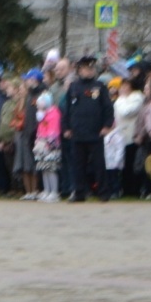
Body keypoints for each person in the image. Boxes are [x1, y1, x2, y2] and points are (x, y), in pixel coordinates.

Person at [60, 56, 113, 202]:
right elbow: (67, 110)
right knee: (78, 165)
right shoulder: (73, 87)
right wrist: (66, 128)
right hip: (77, 132)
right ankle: (79, 192)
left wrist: (107, 125)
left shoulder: (100, 86)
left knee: (98, 164)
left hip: (95, 132)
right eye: (86, 68)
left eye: (91, 68)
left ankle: (103, 192)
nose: (89, 71)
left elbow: (108, 108)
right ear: (79, 70)